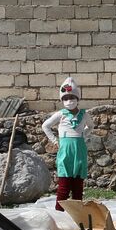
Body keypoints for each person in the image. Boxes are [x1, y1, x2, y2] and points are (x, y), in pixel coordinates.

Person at [41, 77, 92, 211]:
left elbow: (90, 126)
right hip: (65, 152)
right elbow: (45, 126)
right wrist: (55, 141)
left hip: (79, 151)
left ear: (78, 98)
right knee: (64, 186)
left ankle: (77, 216)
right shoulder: (61, 114)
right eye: (65, 98)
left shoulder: (84, 115)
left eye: (72, 97)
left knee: (77, 188)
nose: (69, 101)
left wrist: (83, 136)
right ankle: (59, 214)